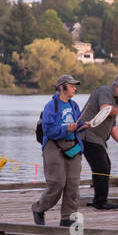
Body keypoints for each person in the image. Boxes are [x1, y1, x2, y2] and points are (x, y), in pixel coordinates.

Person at [80, 72, 118, 211]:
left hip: (98, 139)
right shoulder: (105, 92)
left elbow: (112, 126)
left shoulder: (113, 100)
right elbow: (105, 110)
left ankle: (99, 199)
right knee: (102, 166)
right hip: (88, 136)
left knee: (103, 166)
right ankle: (100, 202)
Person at [34, 74, 85, 226]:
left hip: (73, 147)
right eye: (71, 85)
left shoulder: (74, 105)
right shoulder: (51, 106)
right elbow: (48, 129)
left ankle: (67, 218)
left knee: (73, 184)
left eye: (75, 85)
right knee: (56, 183)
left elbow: (78, 123)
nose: (75, 88)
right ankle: (39, 208)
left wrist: (84, 125)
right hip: (53, 146)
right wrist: (66, 128)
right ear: (62, 87)